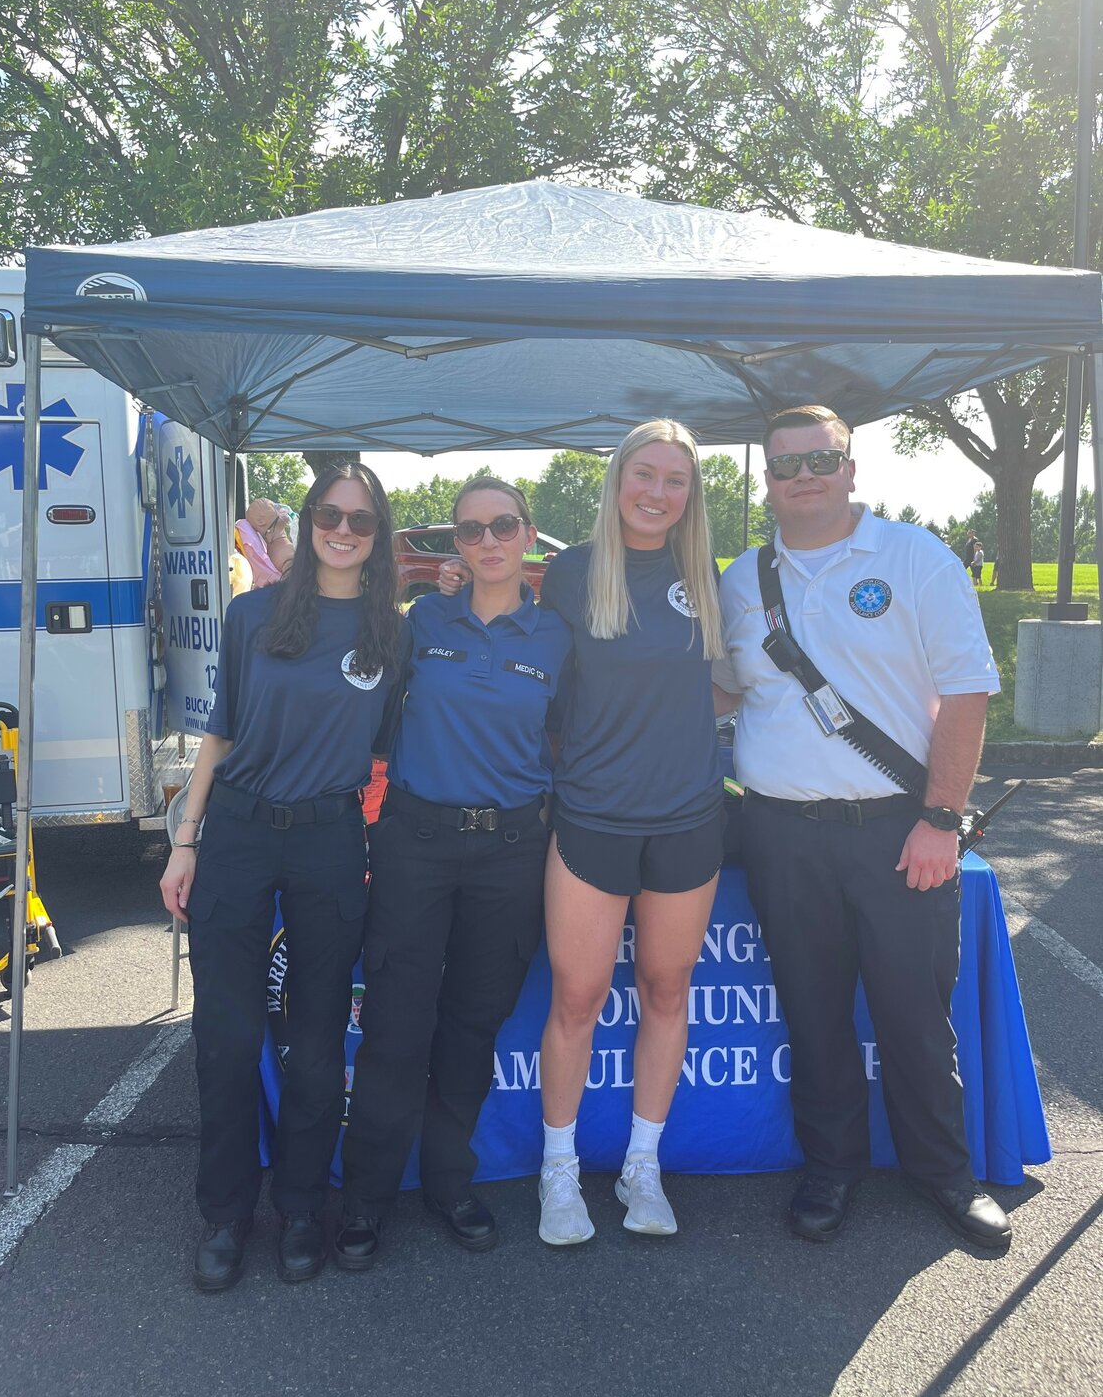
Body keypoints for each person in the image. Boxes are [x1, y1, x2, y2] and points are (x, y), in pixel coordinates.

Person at [714, 404, 1011, 1249]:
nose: (802, 475)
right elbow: (728, 693)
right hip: (779, 832)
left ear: (851, 467)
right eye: (784, 465)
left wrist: (940, 820)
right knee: (811, 1014)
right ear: (765, 480)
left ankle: (944, 1175)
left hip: (897, 831)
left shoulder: (914, 557)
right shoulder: (741, 579)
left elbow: (966, 692)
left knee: (914, 1015)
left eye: (820, 459)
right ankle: (831, 1169)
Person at [438, 421, 724, 1244]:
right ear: (618, 481)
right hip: (592, 817)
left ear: (689, 492)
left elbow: (727, 682)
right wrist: (454, 581)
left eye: (675, 478)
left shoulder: (703, 570)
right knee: (576, 999)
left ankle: (644, 1167)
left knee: (667, 992)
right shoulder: (568, 571)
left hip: (687, 818)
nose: (657, 492)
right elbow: (506, 630)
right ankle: (557, 1175)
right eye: (644, 473)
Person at [159, 463, 408, 1292]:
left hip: (331, 838)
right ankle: (227, 1215)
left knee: (313, 1041)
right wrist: (185, 839)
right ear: (305, 522)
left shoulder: (389, 633)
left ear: (378, 535)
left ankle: (302, 1206)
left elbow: (403, 743)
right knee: (226, 1038)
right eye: (328, 514)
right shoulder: (252, 612)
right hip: (236, 832)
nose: (342, 529)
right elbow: (220, 731)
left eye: (361, 520)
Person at [335, 478, 571, 1269]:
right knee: (397, 1025)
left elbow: (575, 744)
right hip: (416, 842)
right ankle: (365, 1199)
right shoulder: (419, 621)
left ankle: (447, 1182)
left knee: (472, 1027)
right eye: (469, 532)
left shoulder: (555, 637)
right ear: (455, 547)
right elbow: (359, 708)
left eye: (502, 525)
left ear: (529, 535)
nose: (487, 542)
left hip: (510, 851)